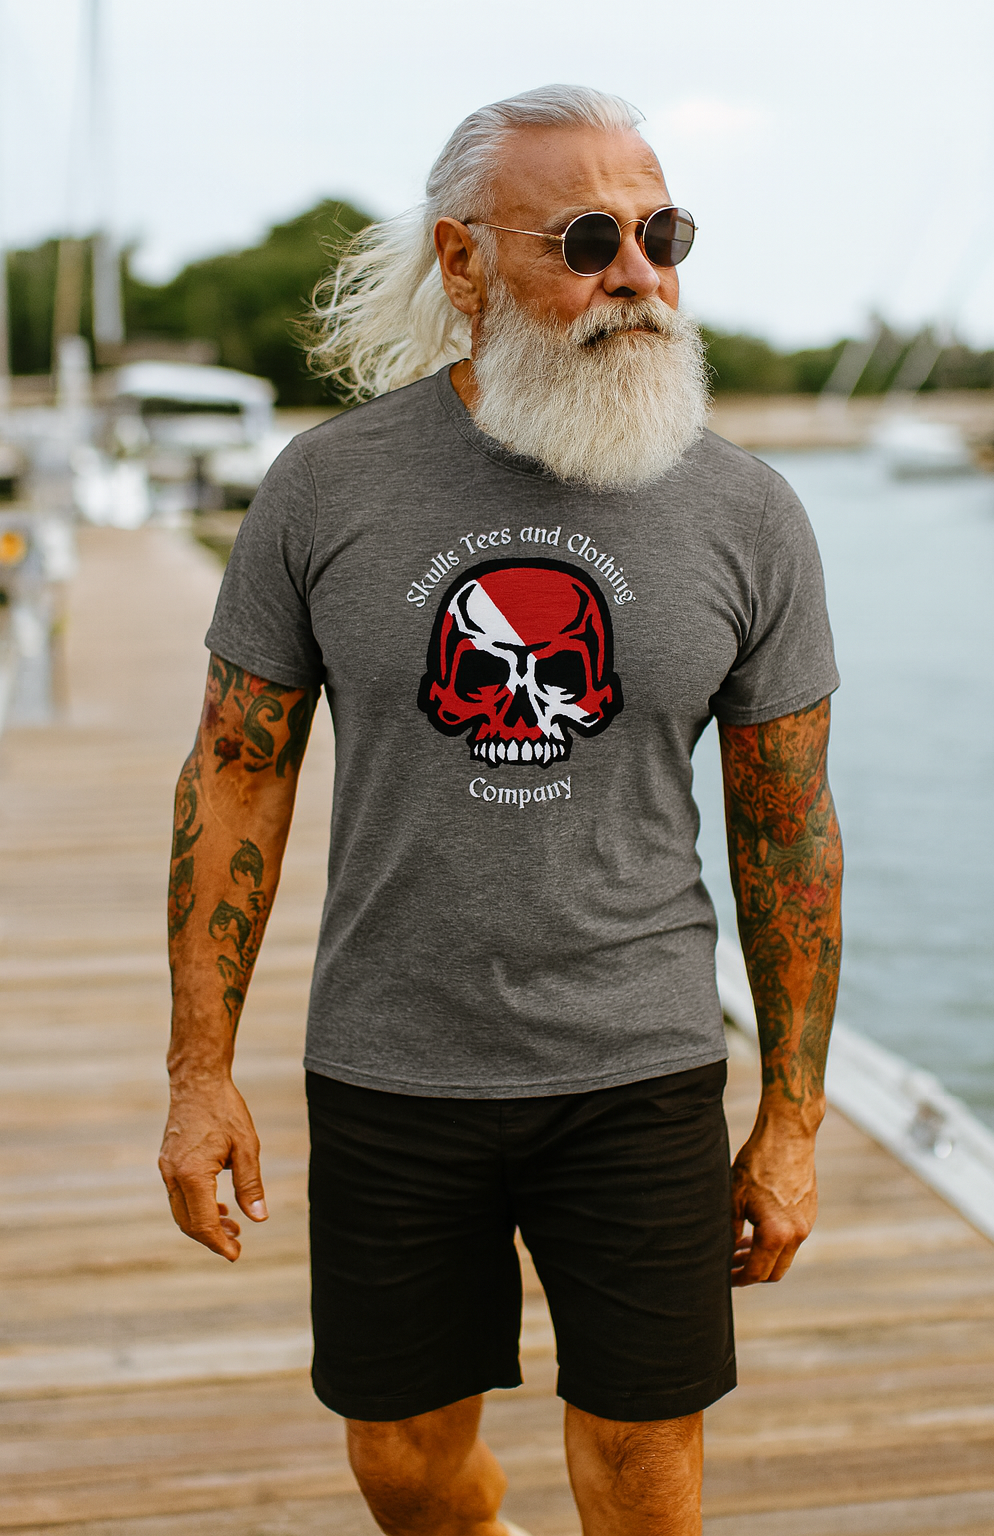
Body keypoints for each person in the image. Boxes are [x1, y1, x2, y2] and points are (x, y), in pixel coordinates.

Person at [159, 84, 842, 1536]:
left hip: (640, 1064)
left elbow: (786, 827)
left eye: (664, 233)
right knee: (402, 1462)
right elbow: (236, 769)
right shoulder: (326, 488)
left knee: (648, 1468)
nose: (640, 275)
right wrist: (198, 1074)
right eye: (588, 238)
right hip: (392, 1063)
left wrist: (791, 1119)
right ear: (465, 263)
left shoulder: (747, 512)